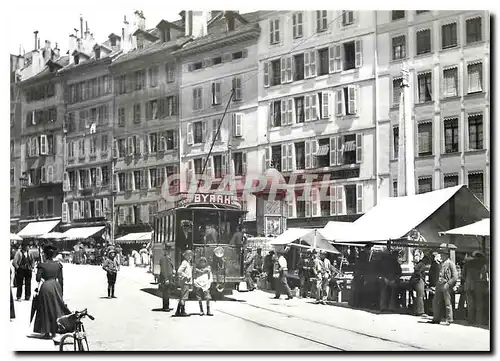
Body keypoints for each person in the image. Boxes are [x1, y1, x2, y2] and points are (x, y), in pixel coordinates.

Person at [33, 245, 71, 339]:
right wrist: (61, 292)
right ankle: (56, 330)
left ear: (45, 254)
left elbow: (38, 279)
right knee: (56, 307)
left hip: (46, 286)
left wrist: (38, 272)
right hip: (55, 286)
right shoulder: (58, 265)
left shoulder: (42, 264)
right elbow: (61, 280)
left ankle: (46, 332)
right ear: (53, 254)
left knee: (45, 308)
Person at [429, 247, 458, 325]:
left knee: (447, 303)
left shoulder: (451, 263)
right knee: (436, 302)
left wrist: (448, 284)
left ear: (447, 255)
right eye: (440, 254)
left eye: (443, 254)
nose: (441, 255)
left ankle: (449, 319)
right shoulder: (441, 263)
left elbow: (455, 277)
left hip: (446, 284)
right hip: (439, 284)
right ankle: (436, 318)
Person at [463, 251, 488, 325]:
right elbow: (485, 276)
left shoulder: (467, 263)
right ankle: (478, 321)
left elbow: (463, 274)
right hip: (479, 285)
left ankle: (470, 321)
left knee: (470, 304)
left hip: (468, 285)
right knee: (479, 304)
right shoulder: (483, 263)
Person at [175, 250, 193, 317]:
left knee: (182, 296)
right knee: (184, 297)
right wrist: (186, 276)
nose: (190, 257)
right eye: (188, 255)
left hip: (186, 282)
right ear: (185, 256)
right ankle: (182, 311)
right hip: (185, 282)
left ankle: (178, 311)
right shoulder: (185, 263)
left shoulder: (187, 263)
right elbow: (179, 271)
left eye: (191, 255)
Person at [159, 245, 175, 312]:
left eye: (170, 251)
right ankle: (166, 307)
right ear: (165, 251)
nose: (170, 252)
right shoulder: (164, 258)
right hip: (166, 278)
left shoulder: (167, 258)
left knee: (167, 292)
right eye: (168, 251)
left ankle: (166, 306)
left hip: (168, 277)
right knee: (166, 292)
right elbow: (164, 270)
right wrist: (166, 279)